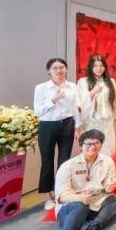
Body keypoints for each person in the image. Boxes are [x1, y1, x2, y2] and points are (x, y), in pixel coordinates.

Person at [34, 58, 81, 211]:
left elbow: (75, 108)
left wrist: (77, 127)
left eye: (61, 67)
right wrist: (53, 100)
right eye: (55, 68)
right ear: (49, 71)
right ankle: (47, 196)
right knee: (47, 161)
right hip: (47, 125)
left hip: (67, 124)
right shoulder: (41, 88)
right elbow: (38, 111)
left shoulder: (72, 86)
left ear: (66, 69)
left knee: (64, 162)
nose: (59, 70)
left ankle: (61, 193)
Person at [76, 54, 116, 156]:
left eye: (101, 66)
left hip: (107, 121)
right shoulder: (83, 82)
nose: (99, 68)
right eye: (95, 66)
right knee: (92, 147)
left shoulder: (111, 81)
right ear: (91, 67)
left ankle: (106, 166)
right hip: (91, 121)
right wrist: (93, 91)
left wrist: (113, 115)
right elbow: (80, 102)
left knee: (108, 147)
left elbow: (115, 101)